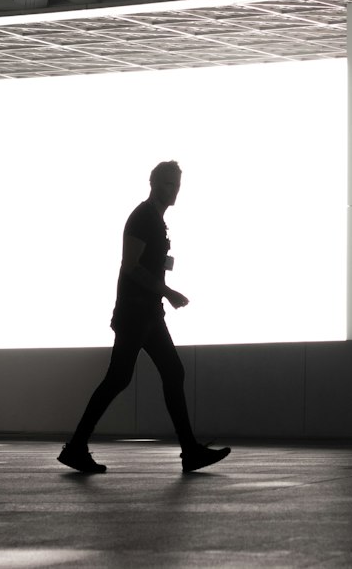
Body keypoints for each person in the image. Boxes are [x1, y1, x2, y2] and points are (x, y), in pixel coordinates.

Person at [58, 161, 230, 475]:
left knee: (168, 371)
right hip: (135, 314)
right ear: (153, 183)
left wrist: (161, 295)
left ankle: (189, 450)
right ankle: (76, 447)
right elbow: (130, 266)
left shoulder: (155, 220)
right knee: (120, 378)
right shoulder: (142, 218)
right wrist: (167, 291)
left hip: (148, 313)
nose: (174, 190)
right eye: (168, 184)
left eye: (177, 184)